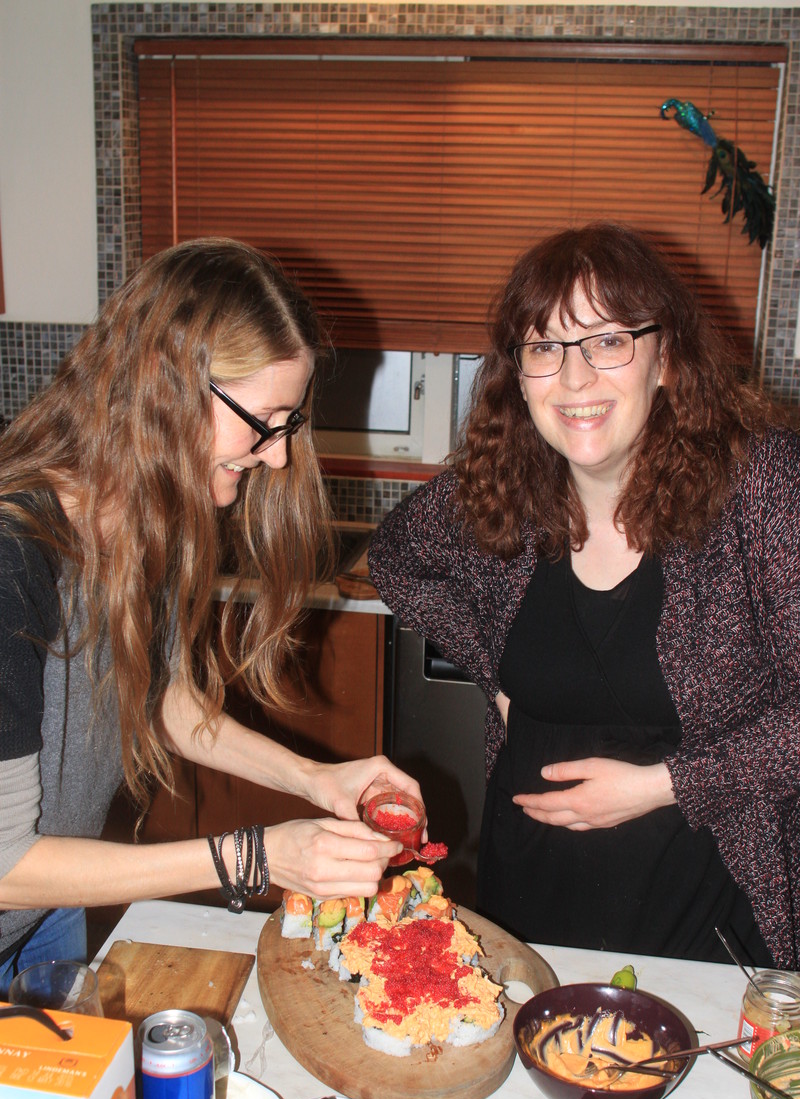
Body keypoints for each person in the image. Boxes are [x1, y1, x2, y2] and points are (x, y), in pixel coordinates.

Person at [368, 221, 800, 969]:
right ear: (519, 373)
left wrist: (666, 784)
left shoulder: (758, 485)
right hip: (529, 891)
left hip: (707, 909)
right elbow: (395, 560)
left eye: (607, 342)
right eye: (544, 348)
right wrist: (496, 678)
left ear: (664, 358)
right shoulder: (505, 483)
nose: (574, 380)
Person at [0, 237, 416, 988]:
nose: (279, 456)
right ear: (169, 386)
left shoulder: (136, 522)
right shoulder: (11, 558)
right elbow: (3, 866)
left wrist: (315, 779)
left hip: (44, 915)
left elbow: (161, 700)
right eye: (266, 419)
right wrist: (259, 856)